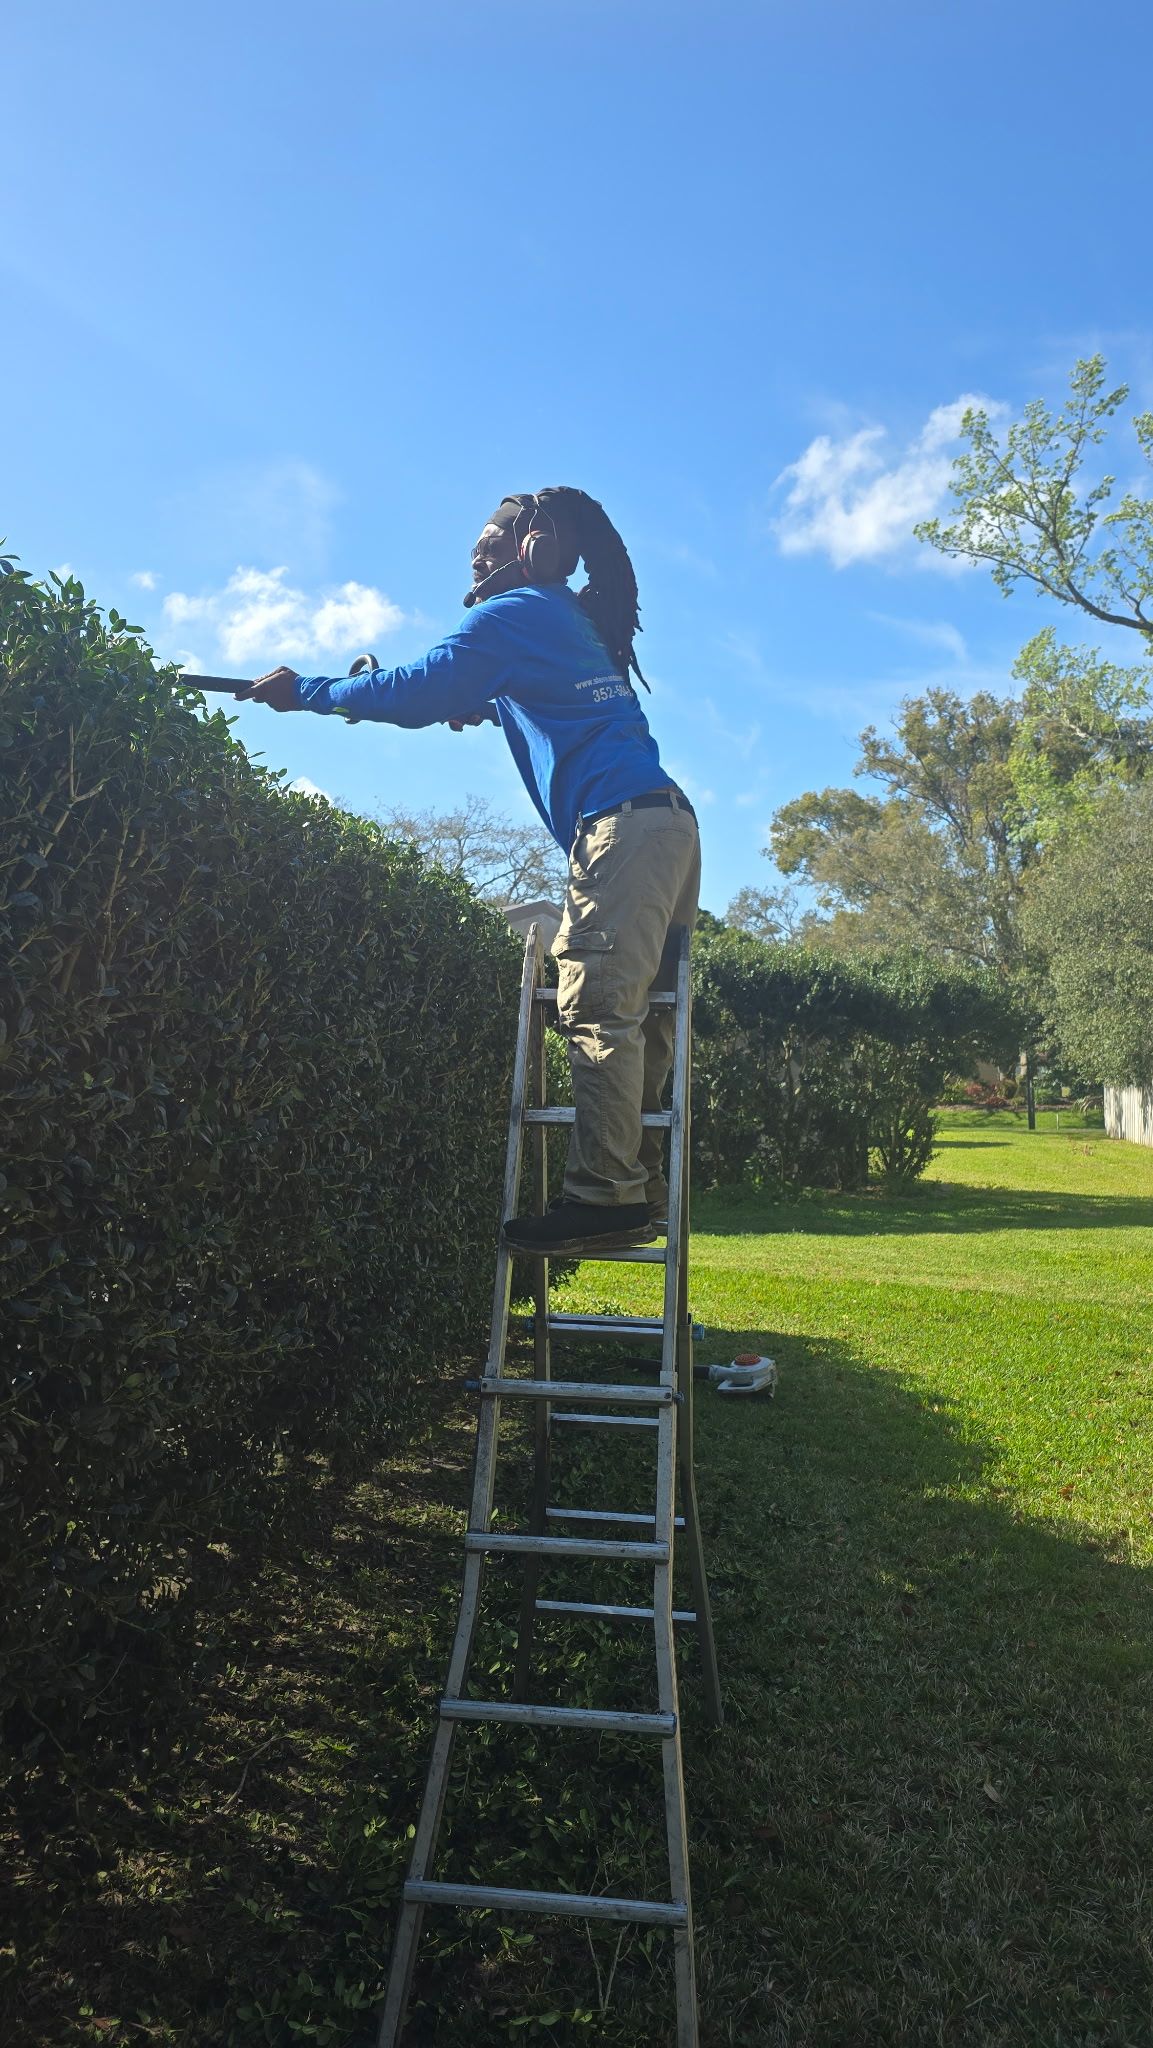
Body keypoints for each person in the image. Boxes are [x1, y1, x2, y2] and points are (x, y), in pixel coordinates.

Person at [238, 486, 700, 1256]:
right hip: (665, 825)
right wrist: (486, 706)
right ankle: (634, 1187)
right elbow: (528, 697)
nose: (478, 560)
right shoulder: (565, 621)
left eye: (489, 546)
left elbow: (415, 689)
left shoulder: (512, 614)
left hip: (620, 827)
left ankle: (605, 1196)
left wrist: (305, 694)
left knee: (594, 1008)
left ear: (535, 550)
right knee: (642, 1013)